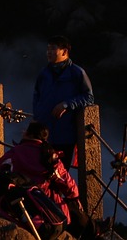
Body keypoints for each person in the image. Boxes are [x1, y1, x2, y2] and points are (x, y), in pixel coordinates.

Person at [0, 121, 97, 239]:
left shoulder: (13, 153)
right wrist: (75, 198)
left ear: (27, 134)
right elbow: (65, 180)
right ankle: (94, 230)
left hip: (20, 201)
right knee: (71, 207)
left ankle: (94, 228)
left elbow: (4, 171)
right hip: (46, 204)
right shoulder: (48, 155)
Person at [32, 35, 94, 168]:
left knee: (60, 174)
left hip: (65, 135)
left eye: (53, 49)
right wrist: (37, 116)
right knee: (42, 172)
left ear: (64, 51)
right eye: (47, 49)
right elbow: (37, 96)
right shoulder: (44, 74)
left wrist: (67, 104)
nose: (48, 52)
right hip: (44, 134)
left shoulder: (77, 73)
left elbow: (89, 97)